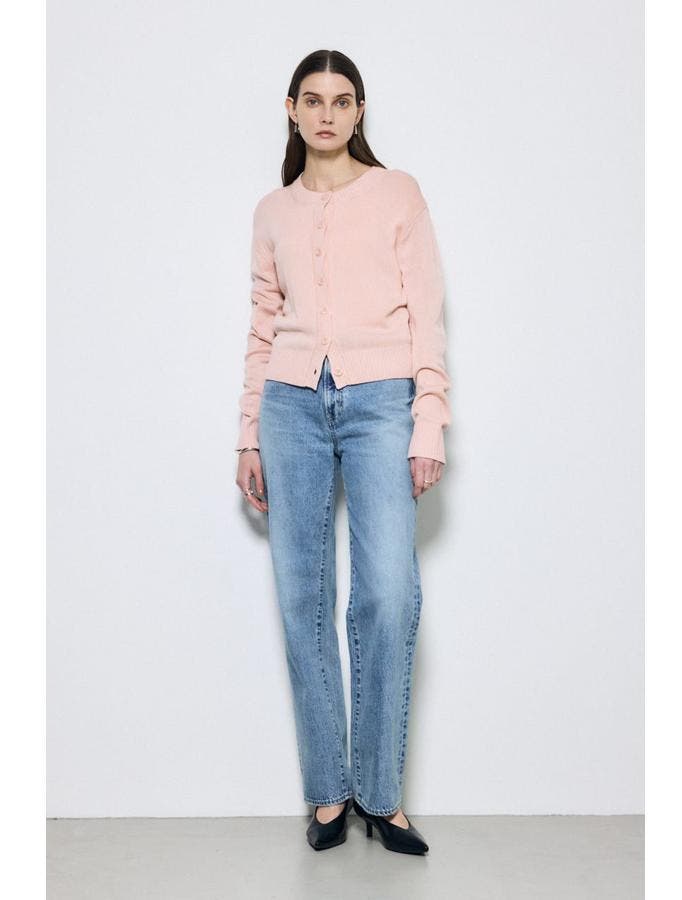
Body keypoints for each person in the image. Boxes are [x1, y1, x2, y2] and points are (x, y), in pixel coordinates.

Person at [234, 50, 451, 856]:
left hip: (382, 401)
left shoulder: (399, 193)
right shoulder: (272, 211)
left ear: (360, 111)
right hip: (288, 404)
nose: (327, 114)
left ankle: (381, 795)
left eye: (342, 100)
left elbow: (427, 313)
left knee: (388, 593)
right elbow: (262, 326)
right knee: (303, 596)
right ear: (291, 109)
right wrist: (248, 430)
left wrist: (430, 419)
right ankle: (329, 792)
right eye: (314, 100)